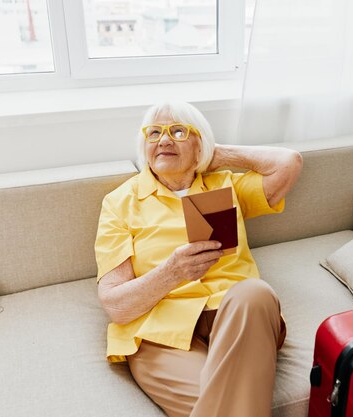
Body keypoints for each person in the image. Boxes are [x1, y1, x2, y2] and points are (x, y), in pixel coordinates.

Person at [95, 101, 303, 417]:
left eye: (178, 131)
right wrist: (171, 273)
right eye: (154, 133)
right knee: (230, 407)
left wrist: (217, 155)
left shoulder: (226, 184)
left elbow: (289, 163)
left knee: (256, 292)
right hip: (163, 332)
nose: (164, 140)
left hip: (237, 315)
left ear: (199, 143)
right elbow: (116, 305)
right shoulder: (120, 203)